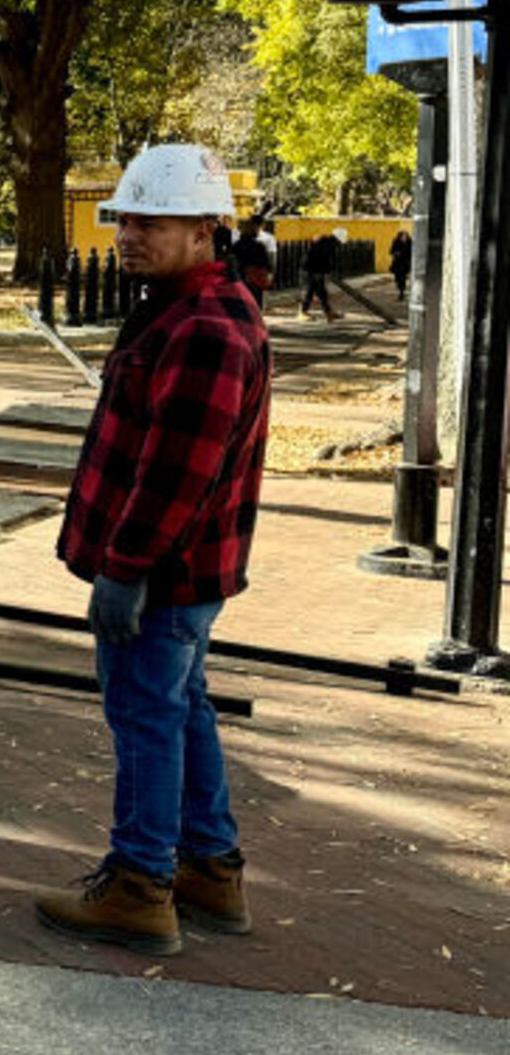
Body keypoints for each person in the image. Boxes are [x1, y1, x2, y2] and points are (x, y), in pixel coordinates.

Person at [36, 143, 269, 957]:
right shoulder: (194, 307)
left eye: (151, 221)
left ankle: (140, 885)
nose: (129, 235)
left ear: (205, 228)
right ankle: (210, 867)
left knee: (146, 718)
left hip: (162, 575)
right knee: (181, 708)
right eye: (126, 220)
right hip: (182, 572)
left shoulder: (203, 327)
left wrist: (124, 570)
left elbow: (178, 471)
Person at [230, 216, 274, 304]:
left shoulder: (236, 246)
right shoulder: (259, 247)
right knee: (256, 302)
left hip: (240, 278)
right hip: (255, 279)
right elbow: (266, 263)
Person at [300, 226, 340, 321]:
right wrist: (324, 272)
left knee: (322, 292)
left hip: (315, 270)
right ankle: (302, 312)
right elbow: (321, 259)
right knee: (309, 292)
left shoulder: (326, 242)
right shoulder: (327, 244)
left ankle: (328, 311)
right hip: (310, 270)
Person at [390, 228, 414, 301]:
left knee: (402, 279)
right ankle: (401, 290)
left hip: (405, 264)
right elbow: (391, 251)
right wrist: (396, 253)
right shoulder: (396, 241)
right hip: (398, 263)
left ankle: (402, 293)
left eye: (405, 236)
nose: (404, 237)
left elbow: (412, 252)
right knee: (397, 278)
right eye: (402, 236)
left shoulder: (409, 242)